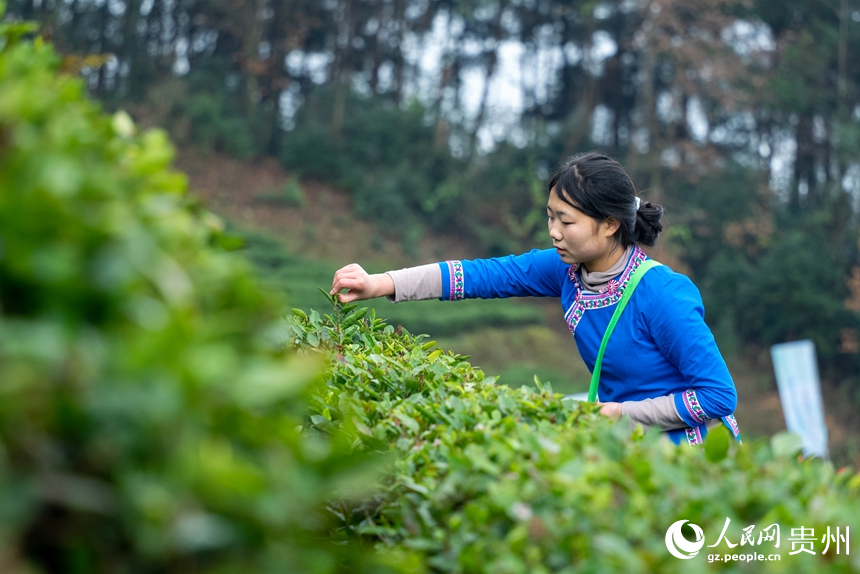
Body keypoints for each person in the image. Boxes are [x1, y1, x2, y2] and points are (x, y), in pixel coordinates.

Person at [330, 152, 741, 446]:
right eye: (550, 216)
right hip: (629, 444)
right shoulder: (566, 269)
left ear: (610, 224)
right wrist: (382, 283)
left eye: (567, 221)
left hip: (693, 452)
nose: (554, 232)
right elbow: (479, 275)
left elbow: (717, 396)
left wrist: (620, 414)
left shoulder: (662, 294)